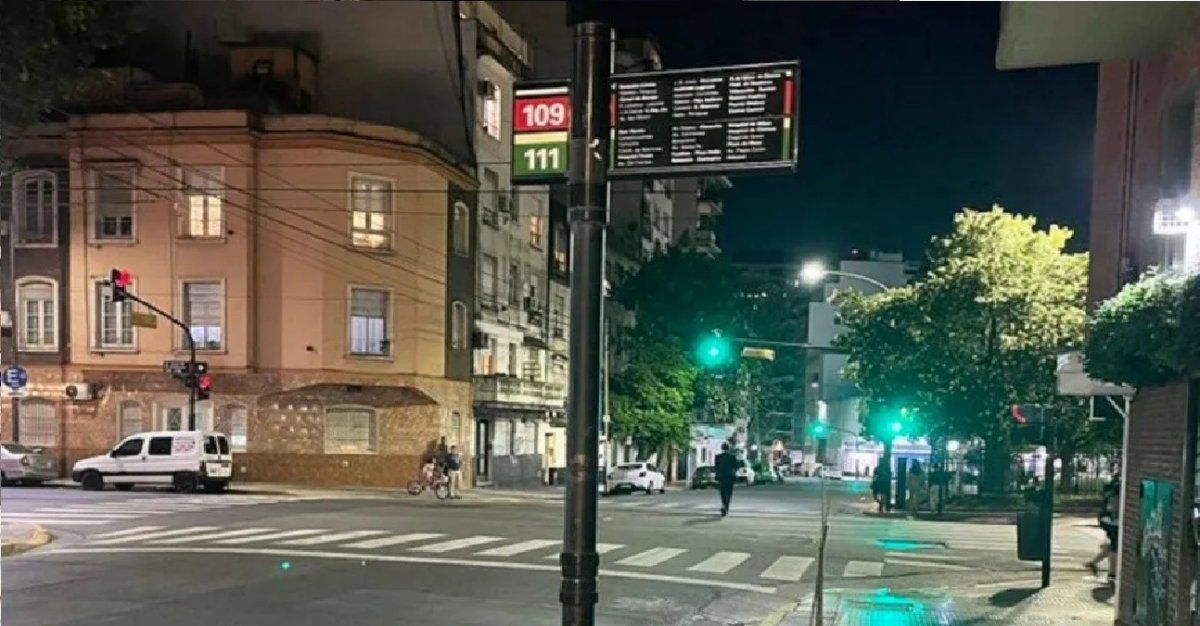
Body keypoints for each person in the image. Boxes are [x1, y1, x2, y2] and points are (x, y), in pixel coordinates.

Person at [1087, 507, 1120, 584]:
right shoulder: (1108, 520)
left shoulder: (1109, 521)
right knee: (1111, 548)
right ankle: (1111, 574)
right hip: (1115, 536)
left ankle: (1112, 574)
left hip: (1117, 538)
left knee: (1112, 549)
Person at [714, 443, 739, 516]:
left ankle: (724, 505)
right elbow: (737, 466)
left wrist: (717, 475)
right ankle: (726, 507)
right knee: (729, 493)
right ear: (728, 448)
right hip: (730, 477)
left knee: (722, 492)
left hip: (721, 477)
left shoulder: (718, 457)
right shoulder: (732, 457)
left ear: (722, 448)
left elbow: (716, 467)